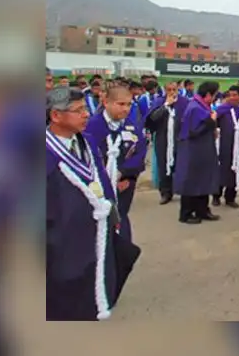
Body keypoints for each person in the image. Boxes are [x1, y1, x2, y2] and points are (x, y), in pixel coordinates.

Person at [45, 88, 140, 320]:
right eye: (78, 111)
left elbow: (101, 179)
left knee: (94, 285)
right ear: (55, 116)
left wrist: (113, 214)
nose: (86, 114)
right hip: (62, 239)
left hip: (95, 231)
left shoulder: (86, 141)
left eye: (85, 109)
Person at [84, 84, 148, 244]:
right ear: (106, 102)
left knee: (120, 218)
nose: (125, 109)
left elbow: (140, 151)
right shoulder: (92, 125)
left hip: (123, 183)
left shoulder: (132, 126)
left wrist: (126, 175)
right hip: (97, 184)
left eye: (128, 104)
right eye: (120, 104)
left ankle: (120, 253)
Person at [174, 81, 221, 224]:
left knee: (204, 180)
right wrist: (211, 121)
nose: (214, 98)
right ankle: (186, 214)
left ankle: (202, 210)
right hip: (193, 150)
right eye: (214, 95)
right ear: (207, 94)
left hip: (203, 149)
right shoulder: (195, 107)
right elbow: (194, 130)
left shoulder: (201, 105)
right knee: (191, 181)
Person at [145, 81, 180, 205]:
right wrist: (166, 106)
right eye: (169, 89)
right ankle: (165, 193)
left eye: (174, 89)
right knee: (163, 165)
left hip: (178, 139)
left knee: (179, 165)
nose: (171, 92)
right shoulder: (159, 102)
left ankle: (179, 189)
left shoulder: (184, 102)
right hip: (162, 138)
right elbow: (152, 118)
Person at [214, 85, 239, 208]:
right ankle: (216, 195)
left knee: (235, 171)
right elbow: (214, 121)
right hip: (225, 144)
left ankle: (230, 197)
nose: (232, 98)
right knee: (222, 169)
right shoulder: (223, 108)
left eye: (235, 95)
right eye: (230, 95)